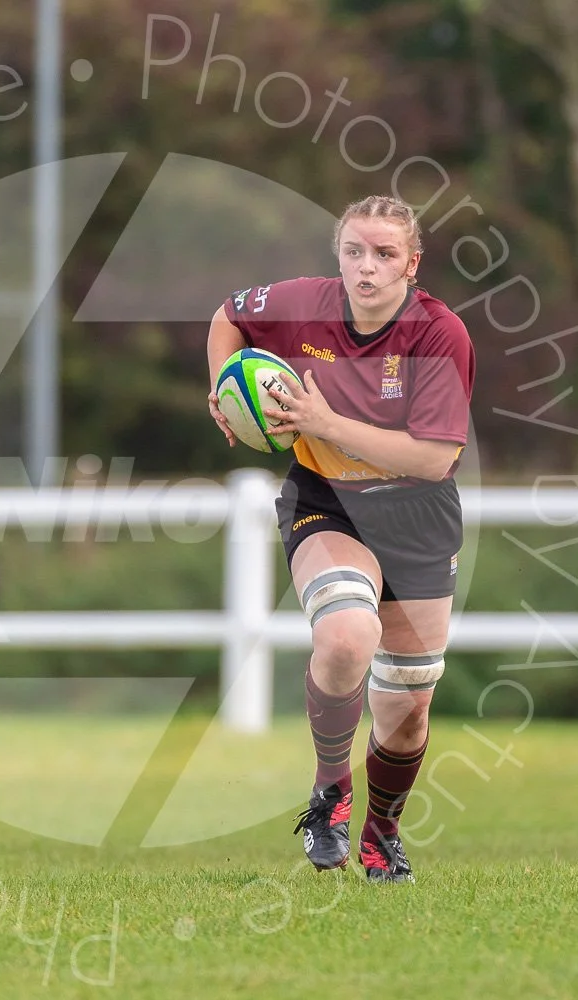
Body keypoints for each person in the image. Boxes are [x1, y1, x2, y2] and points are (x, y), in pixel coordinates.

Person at [205, 195, 475, 883]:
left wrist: (323, 423)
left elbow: (433, 459)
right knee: (346, 637)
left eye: (386, 254)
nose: (368, 267)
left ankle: (382, 832)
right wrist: (223, 389)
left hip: (417, 517)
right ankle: (331, 792)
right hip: (328, 503)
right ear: (339, 255)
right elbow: (229, 317)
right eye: (355, 250)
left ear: (412, 264)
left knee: (407, 710)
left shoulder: (439, 334)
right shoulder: (301, 304)